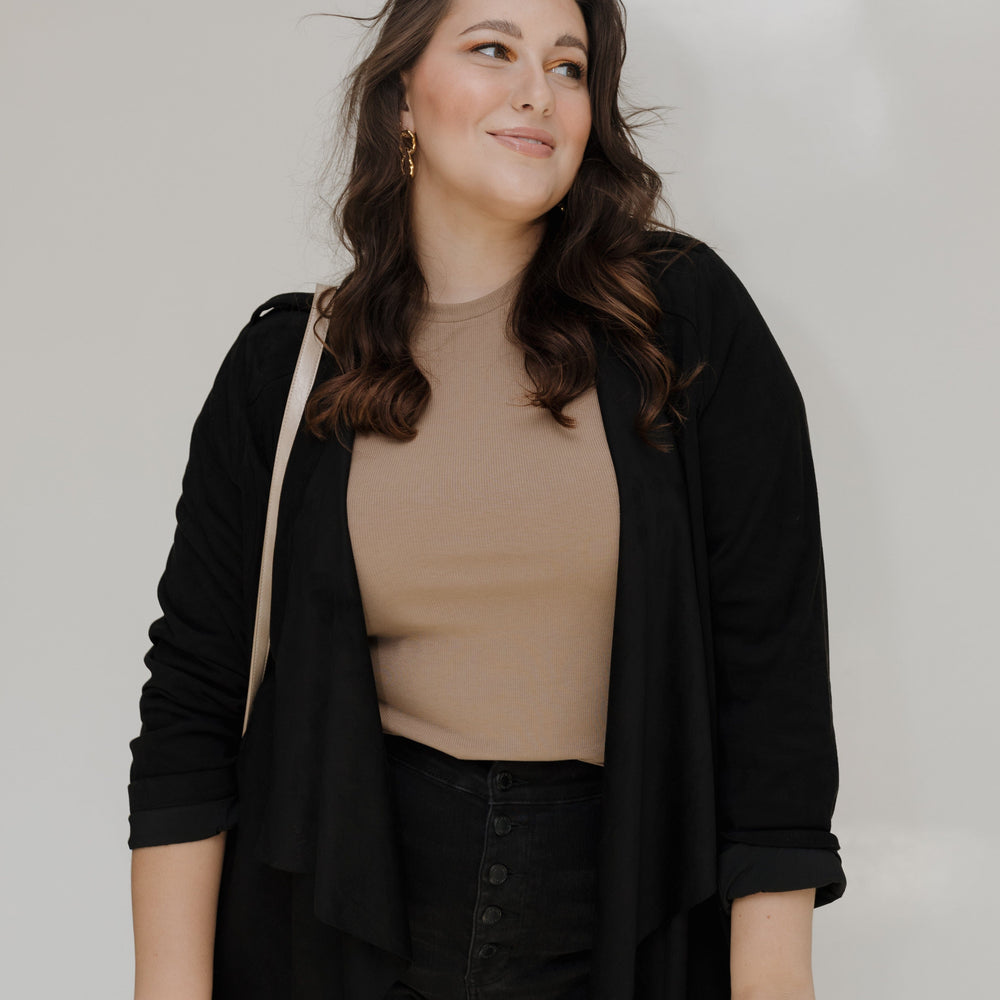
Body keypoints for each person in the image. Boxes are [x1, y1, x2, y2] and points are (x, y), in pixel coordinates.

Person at [127, 0, 847, 998]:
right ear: (402, 103)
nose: (535, 91)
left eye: (566, 65)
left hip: (617, 936)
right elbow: (192, 704)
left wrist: (772, 973)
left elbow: (772, 693)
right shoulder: (284, 369)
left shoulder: (680, 321)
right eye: (492, 49)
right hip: (329, 942)